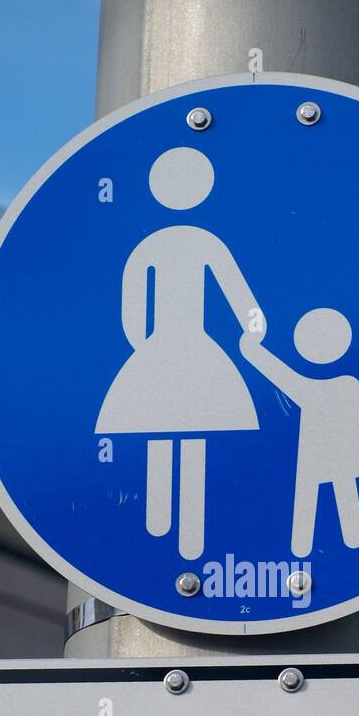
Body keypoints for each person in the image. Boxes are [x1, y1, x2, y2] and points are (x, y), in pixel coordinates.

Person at [96, 146, 262, 561]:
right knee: (193, 427)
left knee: (163, 424)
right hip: (191, 346)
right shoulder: (201, 242)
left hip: (162, 347)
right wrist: (253, 327)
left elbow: (132, 311)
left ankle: (166, 524)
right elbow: (238, 293)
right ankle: (180, 533)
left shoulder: (152, 246)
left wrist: (145, 350)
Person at [240, 308, 359, 557]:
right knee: (328, 493)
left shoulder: (318, 387)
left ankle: (314, 548)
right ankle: (331, 547)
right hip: (326, 453)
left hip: (323, 453)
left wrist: (251, 349)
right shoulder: (342, 385)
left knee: (320, 495)